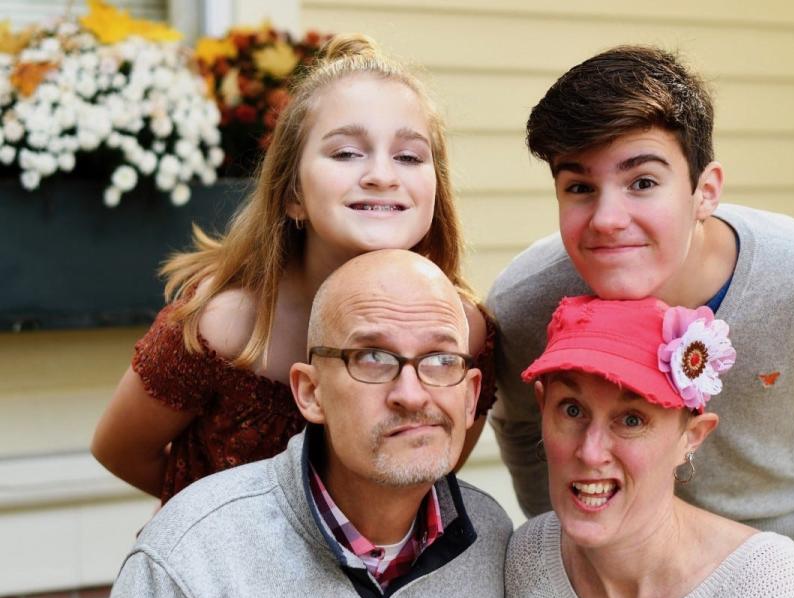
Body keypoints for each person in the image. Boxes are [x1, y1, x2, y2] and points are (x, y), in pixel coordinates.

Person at [487, 45, 794, 598]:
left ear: (705, 190)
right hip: (632, 578)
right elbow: (522, 426)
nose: (607, 218)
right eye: (579, 187)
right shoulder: (529, 304)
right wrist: (577, 533)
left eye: (642, 182)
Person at [91, 33, 496, 504]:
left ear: (435, 192)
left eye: (408, 156)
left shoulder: (463, 333)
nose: (382, 175)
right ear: (293, 195)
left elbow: (429, 473)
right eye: (346, 153)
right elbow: (121, 449)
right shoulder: (224, 327)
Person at [98, 249, 513, 598]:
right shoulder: (190, 556)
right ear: (311, 393)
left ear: (471, 395)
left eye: (442, 360)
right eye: (372, 358)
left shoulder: (492, 544)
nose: (412, 394)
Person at [502, 295, 794, 598]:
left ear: (692, 437)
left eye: (631, 419)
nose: (590, 451)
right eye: (571, 410)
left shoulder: (766, 587)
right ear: (542, 408)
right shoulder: (528, 559)